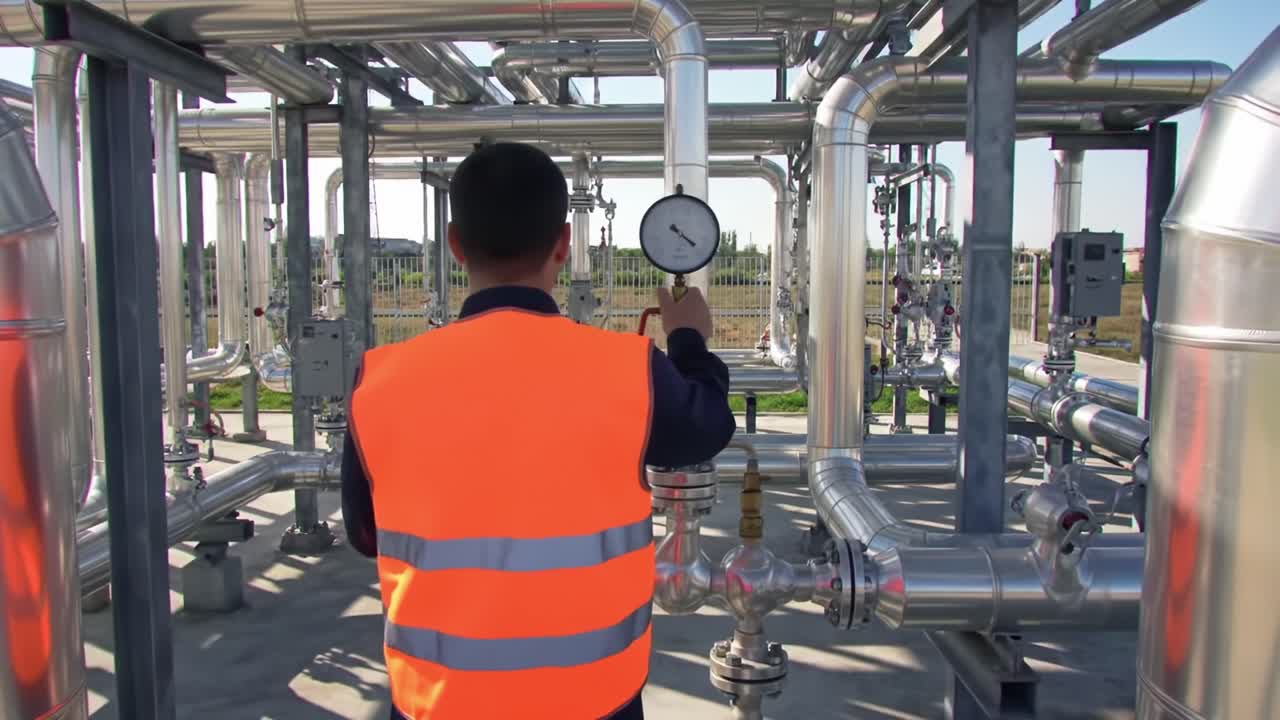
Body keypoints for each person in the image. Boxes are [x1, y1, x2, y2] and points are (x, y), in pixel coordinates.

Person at [341, 142, 736, 720]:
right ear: (562, 244)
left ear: (454, 246)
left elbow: (366, 536)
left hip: (441, 703)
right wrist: (688, 340)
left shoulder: (379, 381)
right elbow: (707, 426)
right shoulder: (629, 369)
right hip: (593, 701)